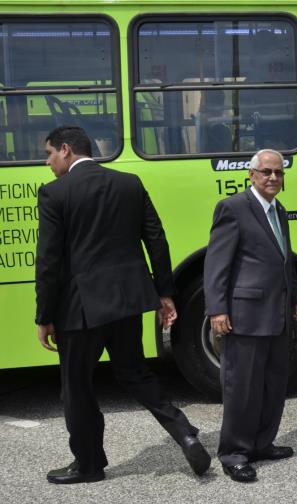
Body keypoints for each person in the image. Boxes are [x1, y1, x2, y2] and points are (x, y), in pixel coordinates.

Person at [35, 126, 211, 484]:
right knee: (135, 374)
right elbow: (156, 239)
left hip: (80, 310)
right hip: (128, 302)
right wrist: (164, 293)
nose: (47, 162)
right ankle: (184, 433)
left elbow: (48, 262)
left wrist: (44, 316)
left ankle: (89, 465)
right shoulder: (129, 183)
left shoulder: (55, 192)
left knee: (76, 387)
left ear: (66, 150)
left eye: (49, 154)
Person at [204, 149, 297, 482]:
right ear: (251, 175)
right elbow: (216, 264)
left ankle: (262, 443)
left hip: (277, 314)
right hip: (245, 316)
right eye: (266, 172)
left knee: (273, 384)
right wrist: (217, 309)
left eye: (279, 172)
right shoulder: (233, 208)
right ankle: (234, 453)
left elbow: (285, 259)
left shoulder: (280, 210)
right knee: (242, 388)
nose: (273, 178)